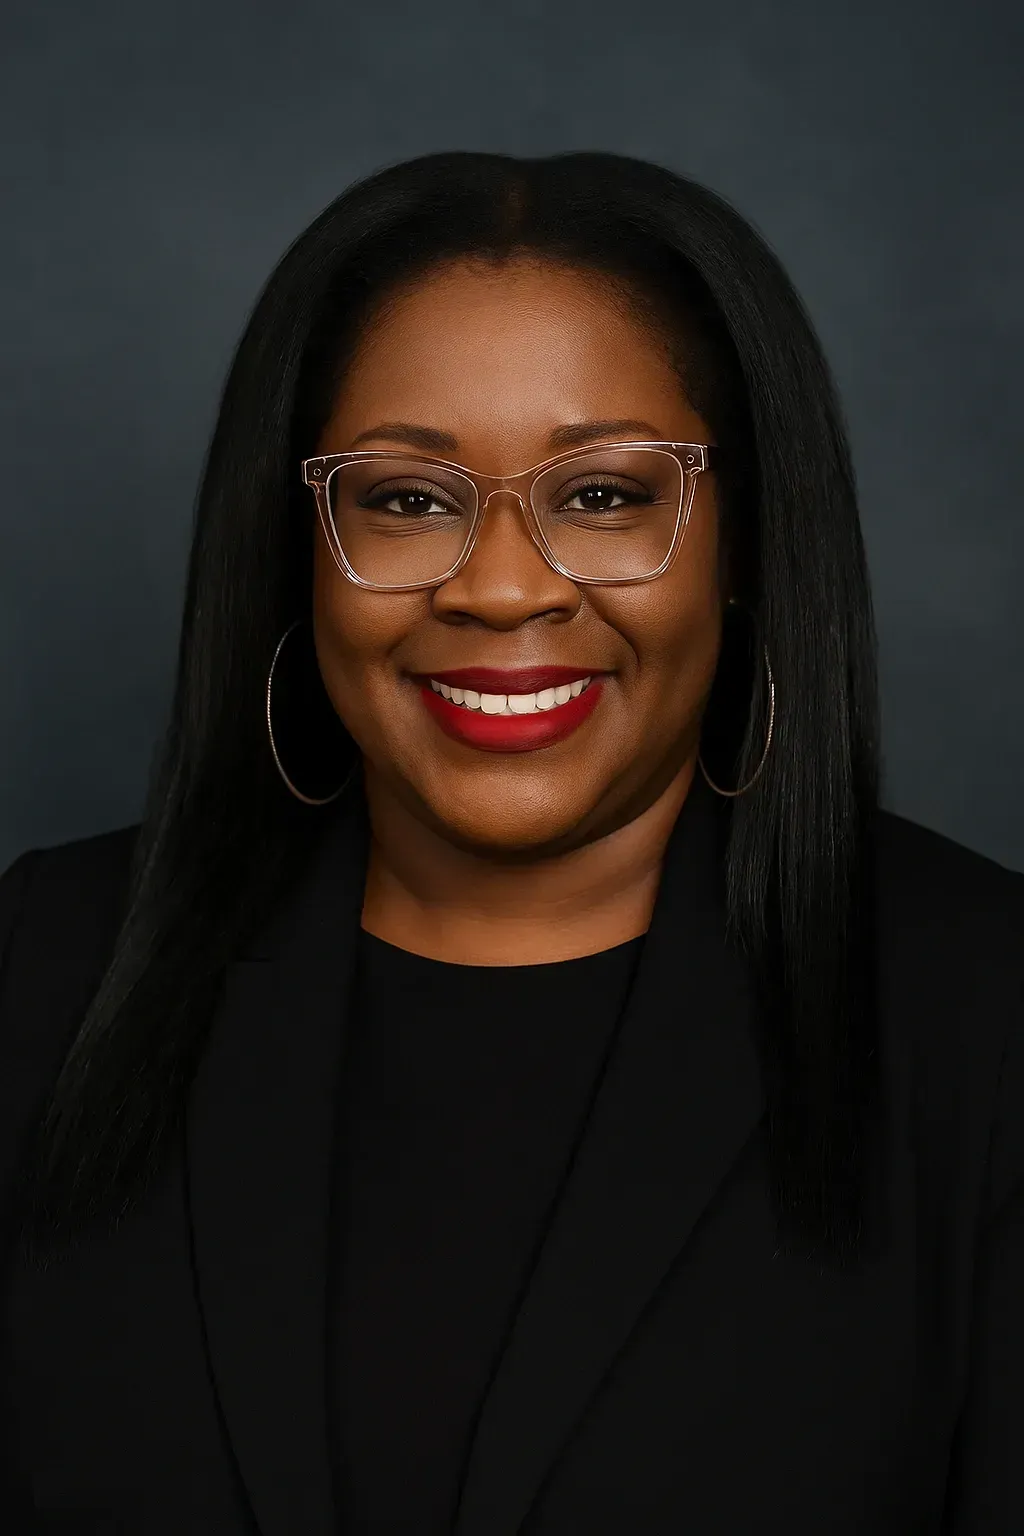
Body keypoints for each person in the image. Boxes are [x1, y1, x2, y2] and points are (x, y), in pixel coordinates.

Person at [0, 150, 1021, 1535]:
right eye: (406, 499)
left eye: (602, 494)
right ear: (301, 543)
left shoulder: (985, 1016)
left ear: (742, 543)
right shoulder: (45, 968)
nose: (498, 588)